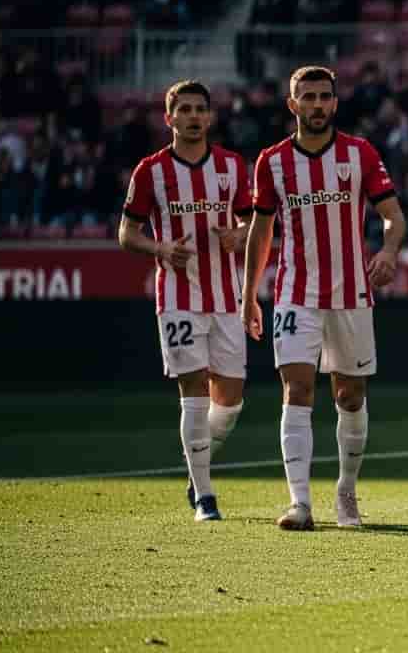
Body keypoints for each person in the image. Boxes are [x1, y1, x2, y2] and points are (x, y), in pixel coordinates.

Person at [242, 66, 406, 531]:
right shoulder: (272, 161)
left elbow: (393, 216)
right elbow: (261, 232)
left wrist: (389, 250)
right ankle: (300, 504)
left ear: (335, 103)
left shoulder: (360, 153)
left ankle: (346, 491)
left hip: (352, 292)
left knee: (350, 396)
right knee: (297, 390)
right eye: (308, 97)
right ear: (292, 104)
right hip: (295, 293)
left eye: (324, 96)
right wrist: (248, 295)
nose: (317, 104)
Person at [118, 80, 250, 522]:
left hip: (226, 297)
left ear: (209, 117)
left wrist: (239, 235)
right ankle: (206, 497)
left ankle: (195, 466)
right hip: (177, 296)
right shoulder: (150, 171)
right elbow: (126, 233)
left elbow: (254, 221)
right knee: (192, 390)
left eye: (200, 109)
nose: (193, 116)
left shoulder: (231, 166)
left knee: (230, 400)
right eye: (185, 109)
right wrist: (159, 248)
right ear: (169, 117)